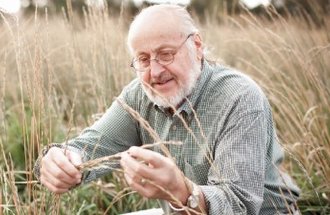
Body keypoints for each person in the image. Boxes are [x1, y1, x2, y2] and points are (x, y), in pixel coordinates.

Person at [34, 4, 300, 215]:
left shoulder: (239, 97)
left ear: (196, 46)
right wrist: (61, 159)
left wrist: (182, 191)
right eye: (143, 59)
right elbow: (91, 146)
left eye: (166, 54)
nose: (156, 71)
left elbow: (239, 206)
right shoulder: (139, 94)